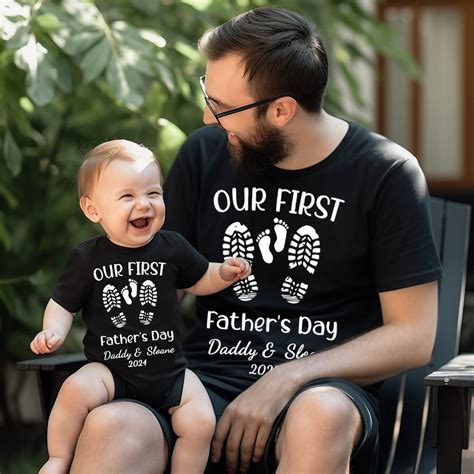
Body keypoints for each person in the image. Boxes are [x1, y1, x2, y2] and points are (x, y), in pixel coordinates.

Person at [64, 6, 443, 474]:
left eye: (221, 107)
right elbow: (162, 276)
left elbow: (413, 335)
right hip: (201, 384)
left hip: (322, 390)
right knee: (112, 427)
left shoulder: (384, 172)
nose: (206, 117)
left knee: (319, 415)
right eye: (208, 95)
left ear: (281, 110)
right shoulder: (205, 155)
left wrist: (287, 377)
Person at [30, 139, 251, 474]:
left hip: (169, 371)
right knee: (74, 389)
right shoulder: (87, 258)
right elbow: (62, 303)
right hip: (110, 370)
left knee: (202, 422)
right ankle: (59, 457)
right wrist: (53, 331)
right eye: (127, 196)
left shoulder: (172, 248)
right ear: (93, 210)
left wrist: (222, 272)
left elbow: (198, 278)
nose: (144, 204)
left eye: (153, 193)